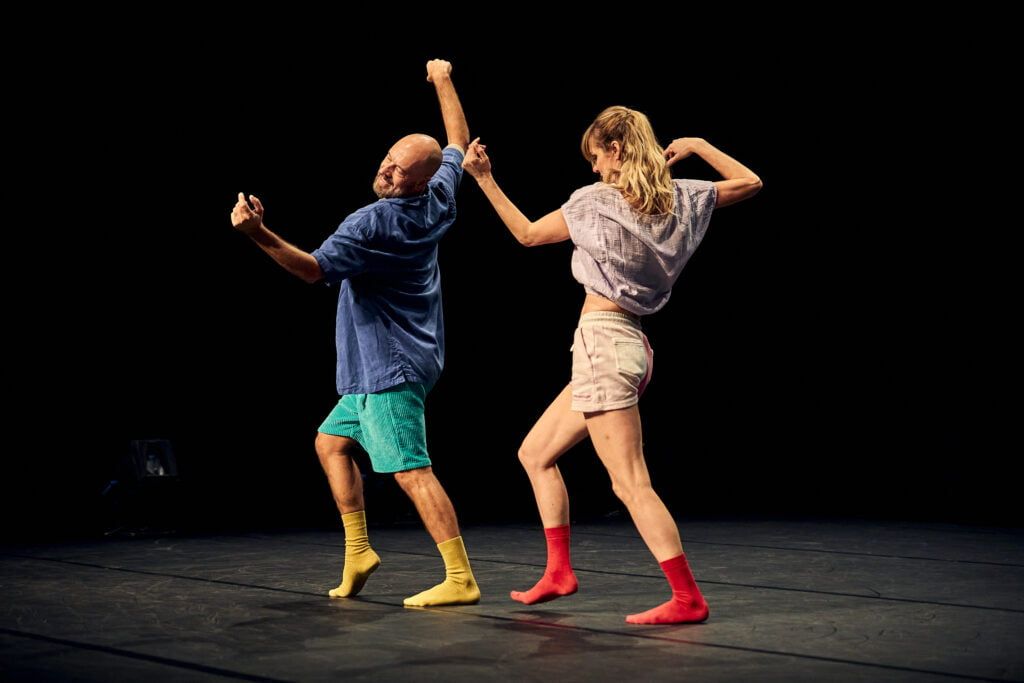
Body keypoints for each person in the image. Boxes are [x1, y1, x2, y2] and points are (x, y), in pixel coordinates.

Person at [461, 106, 761, 624]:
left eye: (596, 156)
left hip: (604, 345)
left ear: (616, 150)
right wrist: (696, 143)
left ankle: (688, 598)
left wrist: (484, 179)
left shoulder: (595, 201)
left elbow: (529, 235)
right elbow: (750, 181)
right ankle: (559, 572)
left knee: (629, 483)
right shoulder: (684, 197)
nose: (594, 168)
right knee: (535, 453)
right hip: (630, 348)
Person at [230, 59, 479, 608]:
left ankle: (461, 577)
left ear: (415, 183)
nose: (386, 173)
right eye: (387, 162)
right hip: (391, 359)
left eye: (397, 173)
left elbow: (313, 270)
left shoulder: (372, 222)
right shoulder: (440, 196)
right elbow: (457, 139)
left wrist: (257, 234)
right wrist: (442, 80)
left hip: (387, 365)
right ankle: (359, 550)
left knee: (411, 470)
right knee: (330, 443)